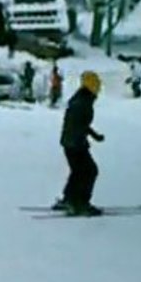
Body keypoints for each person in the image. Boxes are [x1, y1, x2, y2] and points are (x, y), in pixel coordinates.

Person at [52, 70, 105, 216]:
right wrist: (80, 141)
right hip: (74, 144)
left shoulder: (82, 99)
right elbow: (76, 124)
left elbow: (81, 123)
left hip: (71, 142)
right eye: (97, 85)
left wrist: (94, 136)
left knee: (79, 172)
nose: (99, 88)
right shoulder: (83, 102)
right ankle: (80, 204)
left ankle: (69, 199)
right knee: (89, 171)